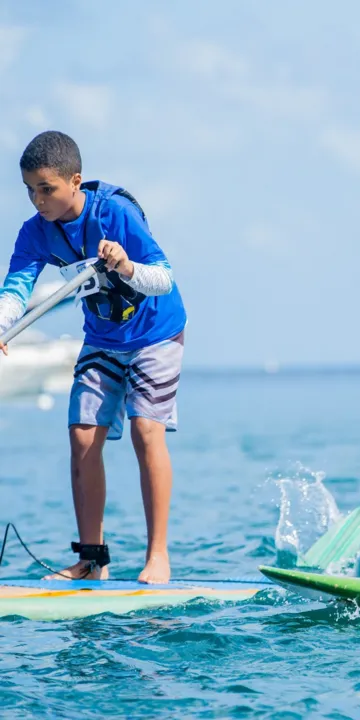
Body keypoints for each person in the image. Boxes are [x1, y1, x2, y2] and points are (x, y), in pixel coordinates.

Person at [0, 131, 187, 583]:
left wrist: (124, 266)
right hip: (103, 337)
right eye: (30, 189)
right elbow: (16, 289)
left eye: (47, 188)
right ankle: (91, 560)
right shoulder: (35, 232)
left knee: (146, 432)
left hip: (155, 333)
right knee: (82, 437)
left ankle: (157, 556)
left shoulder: (115, 214)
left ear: (75, 182)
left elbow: (163, 277)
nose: (37, 199)